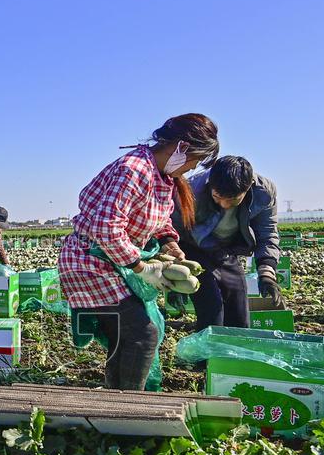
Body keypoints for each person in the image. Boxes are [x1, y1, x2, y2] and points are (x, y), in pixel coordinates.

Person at [58, 113, 219, 390]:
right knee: (143, 334)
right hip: (91, 262)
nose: (192, 169)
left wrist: (169, 242)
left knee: (126, 337)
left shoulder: (163, 177)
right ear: (181, 147)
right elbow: (106, 227)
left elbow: (161, 219)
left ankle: (116, 400)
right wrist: (141, 268)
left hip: (113, 261)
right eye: (194, 160)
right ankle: (128, 406)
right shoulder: (134, 170)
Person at [170, 156, 281, 331]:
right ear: (210, 186)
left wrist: (267, 273)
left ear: (248, 187)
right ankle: (207, 358)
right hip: (192, 249)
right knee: (211, 308)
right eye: (217, 197)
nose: (224, 205)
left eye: (233, 200)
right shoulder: (190, 190)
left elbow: (267, 234)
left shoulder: (264, 193)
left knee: (238, 310)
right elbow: (173, 232)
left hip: (226, 251)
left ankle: (235, 356)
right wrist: (175, 277)